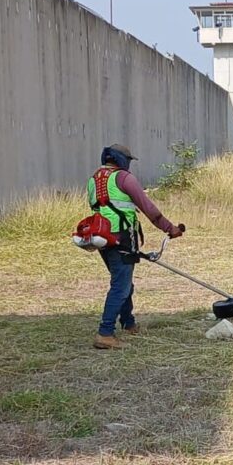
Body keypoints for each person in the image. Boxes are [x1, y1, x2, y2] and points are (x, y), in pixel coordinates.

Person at [89, 144, 183, 350]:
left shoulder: (94, 179)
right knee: (120, 286)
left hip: (101, 237)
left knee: (123, 282)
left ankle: (128, 322)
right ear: (122, 160)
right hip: (122, 237)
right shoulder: (124, 178)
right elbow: (147, 208)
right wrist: (170, 228)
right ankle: (105, 333)